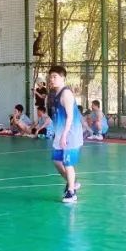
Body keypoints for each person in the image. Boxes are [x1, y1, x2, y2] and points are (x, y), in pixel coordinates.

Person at [48, 66, 84, 203]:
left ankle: (71, 192)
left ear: (63, 78)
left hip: (70, 134)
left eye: (55, 77)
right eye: (50, 77)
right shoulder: (55, 94)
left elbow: (70, 117)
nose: (52, 79)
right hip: (60, 133)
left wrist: (64, 135)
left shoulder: (66, 94)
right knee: (57, 161)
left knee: (68, 163)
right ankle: (72, 182)